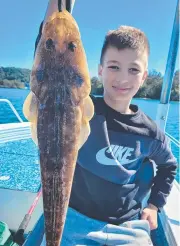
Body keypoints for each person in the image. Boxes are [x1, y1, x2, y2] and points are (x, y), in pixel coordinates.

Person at [25, 0, 178, 245]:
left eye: (134, 70)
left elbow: (169, 166)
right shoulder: (80, 109)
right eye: (114, 66)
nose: (122, 78)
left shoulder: (151, 134)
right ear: (98, 70)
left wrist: (154, 205)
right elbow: (46, 60)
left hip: (127, 225)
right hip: (73, 217)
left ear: (145, 76)